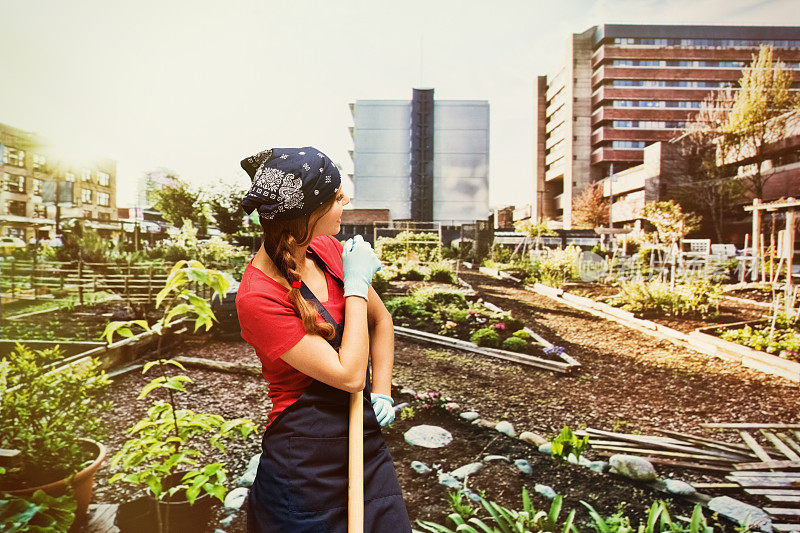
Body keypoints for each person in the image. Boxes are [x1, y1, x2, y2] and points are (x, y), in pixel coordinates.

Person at [235, 147, 412, 532]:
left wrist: (382, 390)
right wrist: (356, 287)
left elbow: (381, 322)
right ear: (306, 214)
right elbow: (348, 375)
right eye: (335, 196)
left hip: (362, 441)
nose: (345, 199)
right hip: (303, 467)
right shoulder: (258, 296)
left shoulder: (328, 250)